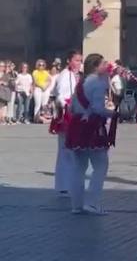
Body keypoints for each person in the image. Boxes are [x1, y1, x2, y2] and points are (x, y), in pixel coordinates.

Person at [65, 53, 116, 215]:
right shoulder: (98, 83)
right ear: (95, 67)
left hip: (77, 125)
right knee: (101, 165)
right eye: (103, 64)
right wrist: (113, 114)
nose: (106, 66)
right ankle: (92, 202)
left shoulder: (81, 83)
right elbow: (97, 108)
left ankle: (76, 204)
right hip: (92, 127)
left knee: (79, 167)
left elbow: (71, 107)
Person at [51, 51, 82, 196]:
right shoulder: (65, 75)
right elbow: (60, 96)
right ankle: (64, 184)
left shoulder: (76, 75)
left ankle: (67, 182)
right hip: (67, 113)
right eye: (76, 60)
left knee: (71, 150)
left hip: (74, 112)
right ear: (69, 61)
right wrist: (67, 106)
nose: (78, 63)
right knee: (66, 150)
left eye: (80, 61)